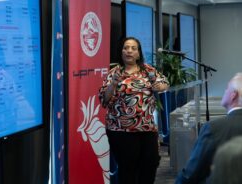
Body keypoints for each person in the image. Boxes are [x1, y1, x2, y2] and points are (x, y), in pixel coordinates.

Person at [98, 37, 169, 184]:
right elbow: (104, 100)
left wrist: (161, 86)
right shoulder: (114, 73)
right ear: (122, 51)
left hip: (146, 128)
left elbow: (164, 83)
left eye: (133, 48)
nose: (129, 51)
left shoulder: (148, 70)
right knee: (128, 169)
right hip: (121, 130)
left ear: (138, 53)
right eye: (126, 48)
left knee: (151, 164)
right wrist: (113, 84)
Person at [175, 72, 242, 184]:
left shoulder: (213, 128)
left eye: (226, 89)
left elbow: (192, 172)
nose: (224, 92)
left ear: (233, 95)